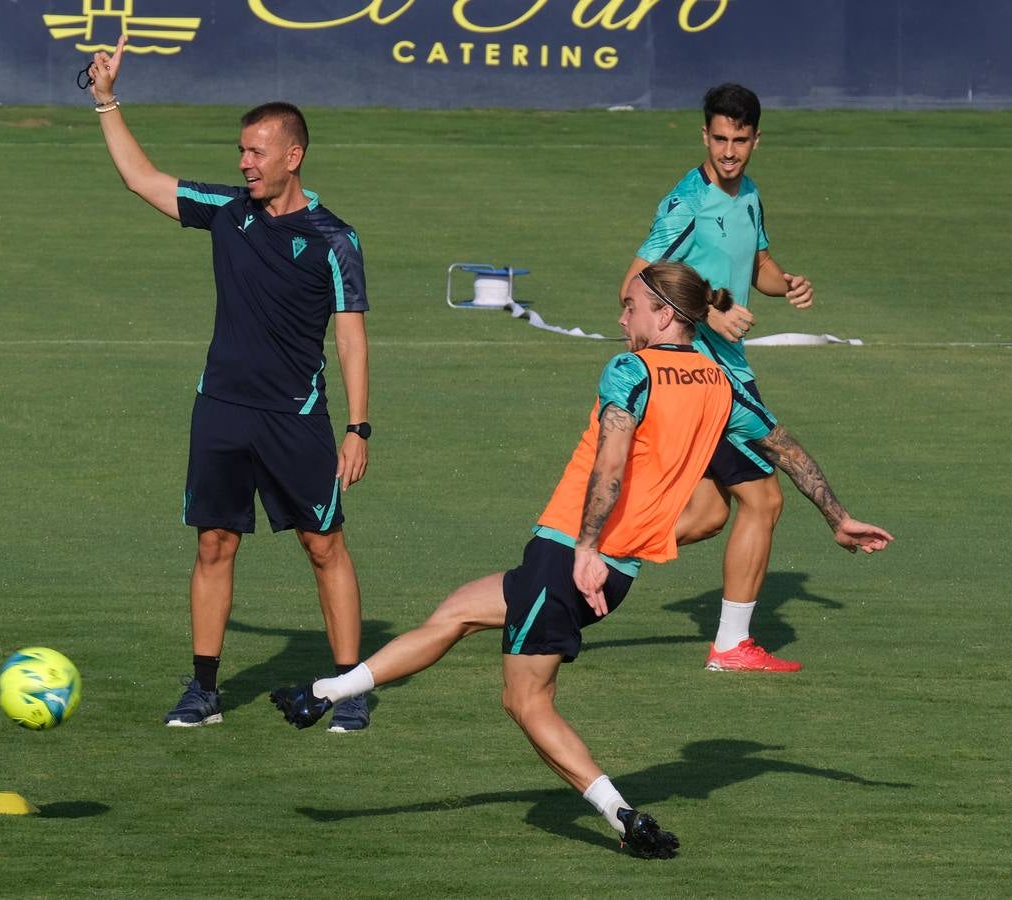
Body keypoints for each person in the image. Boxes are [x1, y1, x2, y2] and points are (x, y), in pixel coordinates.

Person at [271, 262, 893, 857]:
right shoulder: (720, 384)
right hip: (596, 565)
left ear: (667, 315)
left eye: (632, 307)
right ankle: (325, 692)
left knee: (525, 702)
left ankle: (621, 816)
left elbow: (612, 464)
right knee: (457, 612)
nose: (623, 319)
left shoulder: (632, 372)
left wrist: (587, 548)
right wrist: (837, 517)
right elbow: (785, 448)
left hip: (571, 557)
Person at [84, 36, 373, 731]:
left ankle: (348, 686)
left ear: (292, 155)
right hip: (221, 409)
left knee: (322, 543)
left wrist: (357, 427)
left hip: (295, 416)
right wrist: (105, 101)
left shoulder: (335, 238)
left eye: (256, 151)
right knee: (213, 542)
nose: (244, 162)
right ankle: (205, 690)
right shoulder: (227, 210)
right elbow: (141, 179)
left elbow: (351, 336)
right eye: (242, 151)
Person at [619, 82, 815, 673]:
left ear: (756, 139)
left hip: (727, 371)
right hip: (700, 379)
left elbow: (756, 262)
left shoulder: (749, 194)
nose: (730, 152)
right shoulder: (686, 202)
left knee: (707, 515)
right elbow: (637, 284)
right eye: (720, 139)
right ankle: (730, 646)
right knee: (766, 500)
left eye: (741, 140)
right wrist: (709, 310)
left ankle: (595, 551)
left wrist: (788, 284)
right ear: (704, 134)